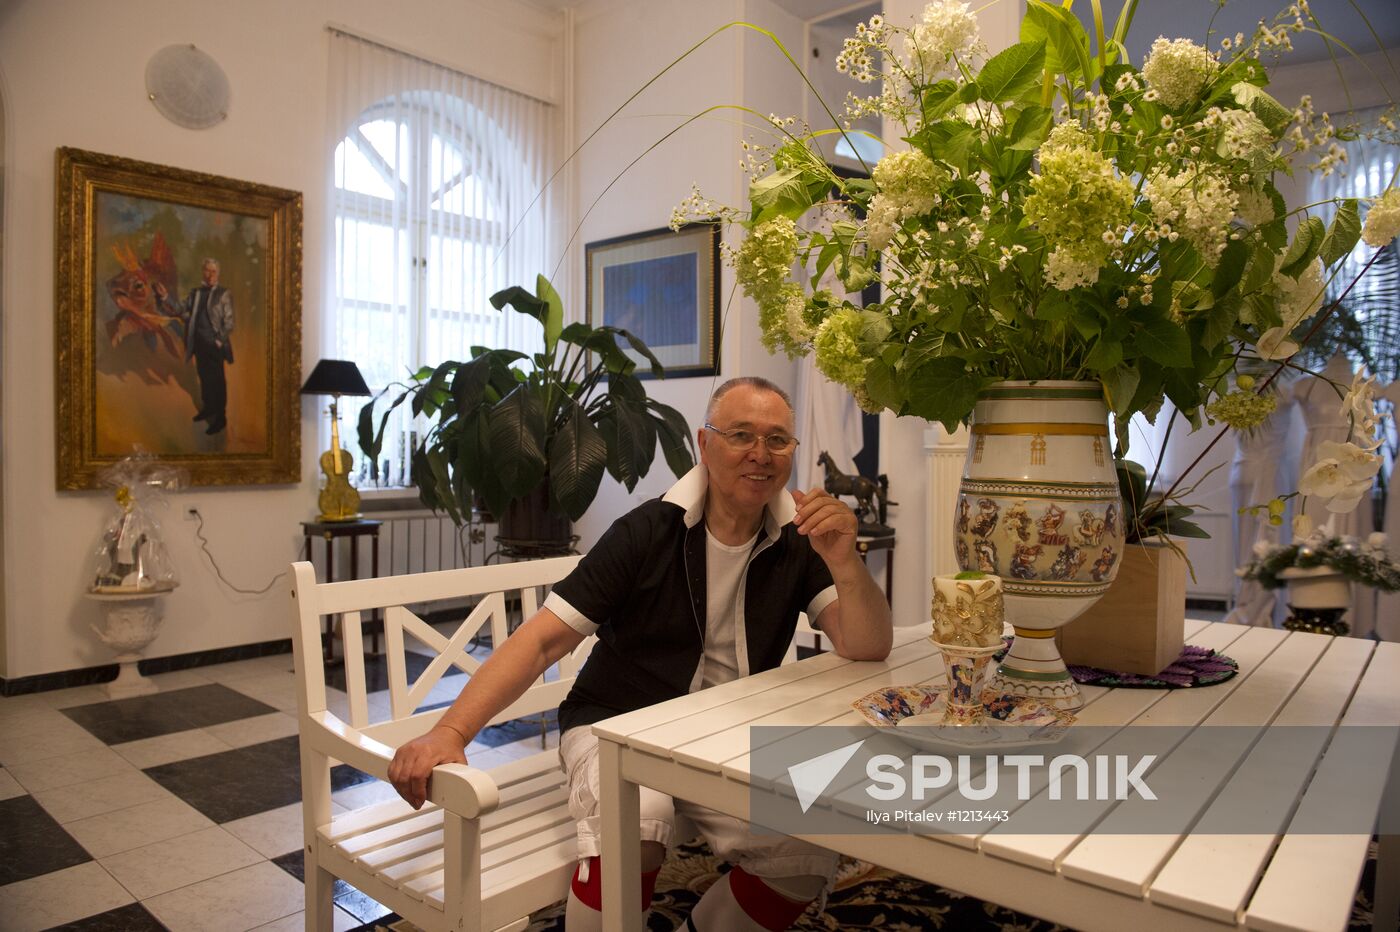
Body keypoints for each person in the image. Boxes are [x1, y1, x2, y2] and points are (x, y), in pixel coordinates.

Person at [389, 376, 894, 931]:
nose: (760, 454)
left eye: (778, 440)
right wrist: (452, 732)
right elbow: (541, 641)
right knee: (637, 818)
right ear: (705, 444)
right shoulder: (647, 531)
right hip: (617, 725)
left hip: (732, 738)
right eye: (741, 434)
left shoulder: (799, 537)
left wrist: (846, 562)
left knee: (808, 842)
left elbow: (865, 645)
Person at [155, 257, 234, 435]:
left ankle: (220, 418)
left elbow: (229, 323)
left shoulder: (224, 294)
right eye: (207, 270)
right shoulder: (196, 293)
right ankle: (208, 409)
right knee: (204, 378)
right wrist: (165, 297)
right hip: (198, 345)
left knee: (217, 382)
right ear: (203, 272)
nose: (210, 274)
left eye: (213, 271)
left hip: (215, 346)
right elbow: (180, 310)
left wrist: (219, 340)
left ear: (218, 273)